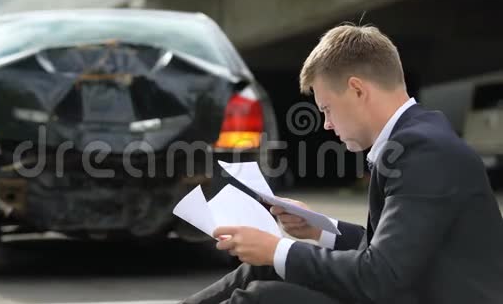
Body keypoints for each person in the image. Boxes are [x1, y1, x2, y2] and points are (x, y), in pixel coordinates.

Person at [180, 24, 503, 304]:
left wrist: (277, 248)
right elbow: (402, 250)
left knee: (266, 296)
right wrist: (319, 228)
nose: (326, 124)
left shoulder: (425, 151)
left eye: (327, 109)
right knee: (264, 267)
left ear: (357, 90)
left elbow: (380, 275)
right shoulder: (418, 137)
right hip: (412, 291)